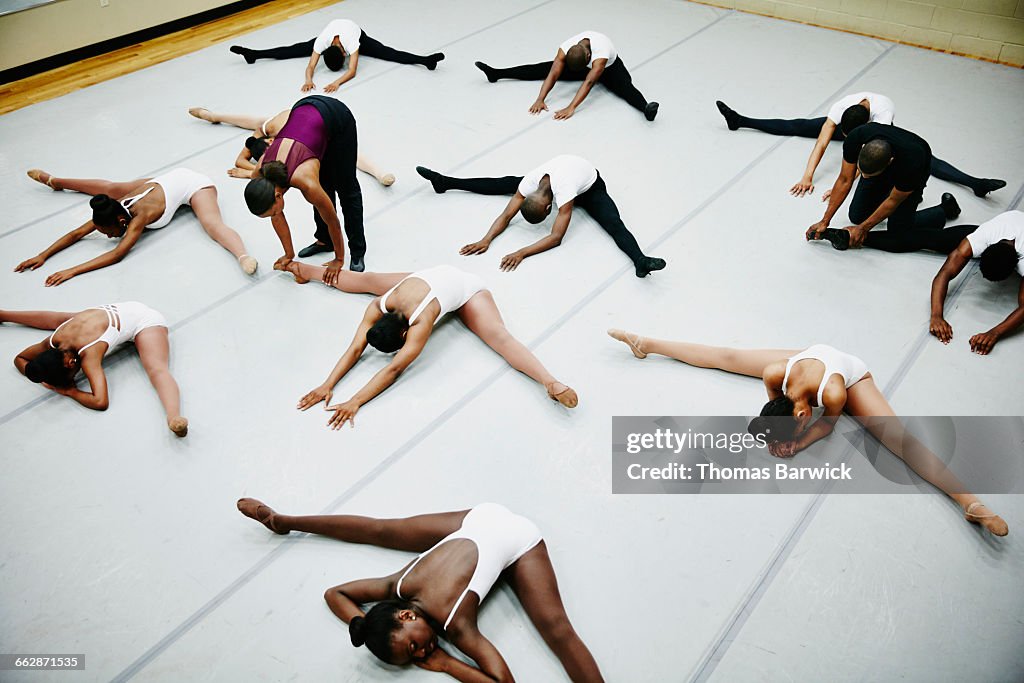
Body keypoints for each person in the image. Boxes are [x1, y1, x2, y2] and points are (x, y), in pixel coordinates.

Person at [606, 331, 1009, 536]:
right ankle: (649, 343)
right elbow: (772, 408)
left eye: (799, 420)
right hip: (805, 361)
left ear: (802, 412)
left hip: (849, 373)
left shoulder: (833, 394)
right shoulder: (775, 375)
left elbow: (827, 425)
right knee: (725, 357)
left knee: (898, 440)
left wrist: (798, 443)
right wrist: (777, 434)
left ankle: (970, 502)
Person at [236, 499, 604, 680]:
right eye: (414, 657)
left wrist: (448, 664)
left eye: (414, 645)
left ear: (406, 615)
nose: (424, 651)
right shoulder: (396, 586)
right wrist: (362, 623)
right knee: (381, 531)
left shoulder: (456, 625)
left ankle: (286, 520)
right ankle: (286, 522)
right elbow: (336, 595)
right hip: (477, 518)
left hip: (515, 537)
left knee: (558, 631)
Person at [280, 263, 578, 426]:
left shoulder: (420, 324)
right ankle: (304, 270)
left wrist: (356, 400)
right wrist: (327, 384)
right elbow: (356, 347)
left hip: (465, 289)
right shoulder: (379, 305)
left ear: (403, 336)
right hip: (424, 277)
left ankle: (551, 383)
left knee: (499, 336)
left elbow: (394, 369)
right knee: (367, 279)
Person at [414, 156, 667, 277]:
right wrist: (486, 239)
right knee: (501, 183)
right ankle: (445, 182)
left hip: (589, 186)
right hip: (560, 177)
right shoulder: (529, 182)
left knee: (612, 222)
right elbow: (506, 214)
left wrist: (521, 252)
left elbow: (556, 237)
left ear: (550, 208)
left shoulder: (565, 192)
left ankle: (640, 260)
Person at [714, 94, 1005, 199]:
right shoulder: (841, 109)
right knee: (798, 124)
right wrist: (808, 176)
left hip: (877, 138)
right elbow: (821, 143)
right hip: (855, 126)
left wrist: (844, 185)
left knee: (927, 159)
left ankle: (974, 183)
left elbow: (869, 158)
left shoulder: (883, 115)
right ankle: (741, 120)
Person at [17, 168, 257, 286]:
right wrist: (42, 255)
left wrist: (72, 270)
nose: (108, 237)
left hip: (192, 184)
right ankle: (56, 181)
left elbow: (117, 254)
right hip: (162, 181)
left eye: (109, 233)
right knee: (112, 188)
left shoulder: (139, 217)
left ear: (122, 222)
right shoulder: (112, 210)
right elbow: (77, 233)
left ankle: (242, 256)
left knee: (211, 224)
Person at [4, 303, 188, 436]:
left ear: (70, 364)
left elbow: (100, 401)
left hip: (144, 321)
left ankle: (174, 416)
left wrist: (70, 391)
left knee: (156, 368)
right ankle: (5, 315)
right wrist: (42, 376)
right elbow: (19, 359)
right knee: (61, 319)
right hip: (113, 312)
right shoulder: (53, 342)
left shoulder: (89, 356)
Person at [243, 95, 365, 277]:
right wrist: (288, 254)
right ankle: (325, 241)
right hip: (305, 113)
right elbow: (276, 215)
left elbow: (333, 220)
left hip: (337, 118)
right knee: (323, 184)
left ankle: (357, 251)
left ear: (278, 196)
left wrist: (339, 260)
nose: (276, 216)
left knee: (346, 188)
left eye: (274, 212)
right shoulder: (260, 174)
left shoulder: (304, 180)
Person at [806, 123, 964, 252]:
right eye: (862, 173)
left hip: (913, 170)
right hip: (880, 164)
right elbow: (845, 179)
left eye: (870, 175)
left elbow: (893, 200)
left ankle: (944, 209)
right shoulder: (856, 137)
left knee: (898, 233)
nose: (864, 178)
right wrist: (824, 220)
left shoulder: (913, 160)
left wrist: (862, 229)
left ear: (889, 163)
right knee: (856, 216)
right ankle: (874, 193)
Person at [186, 106, 395, 186]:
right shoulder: (264, 137)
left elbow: (242, 162)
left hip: (304, 119)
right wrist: (253, 170)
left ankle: (212, 115)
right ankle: (211, 115)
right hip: (292, 123)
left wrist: (251, 173)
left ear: (269, 142)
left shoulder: (272, 133)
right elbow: (238, 161)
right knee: (248, 120)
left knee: (349, 154)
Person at [475, 30, 658, 121]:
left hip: (610, 69)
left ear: (589, 56)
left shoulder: (601, 54)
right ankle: (497, 73)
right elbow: (553, 73)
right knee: (541, 68)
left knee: (625, 87)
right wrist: (540, 98)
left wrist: (571, 107)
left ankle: (646, 108)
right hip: (582, 65)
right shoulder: (566, 48)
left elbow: (588, 82)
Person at [229, 18, 444, 92]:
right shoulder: (321, 41)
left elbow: (352, 70)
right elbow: (311, 65)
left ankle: (426, 61)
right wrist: (308, 79)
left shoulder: (352, 43)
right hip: (330, 32)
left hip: (358, 32)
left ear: (343, 53)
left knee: (388, 52)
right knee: (293, 49)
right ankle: (254, 54)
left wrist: (337, 83)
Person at [930, 210, 1024, 355]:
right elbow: (945, 273)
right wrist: (936, 315)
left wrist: (995, 333)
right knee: (930, 239)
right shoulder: (985, 235)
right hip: (1013, 219)